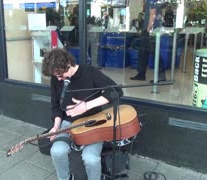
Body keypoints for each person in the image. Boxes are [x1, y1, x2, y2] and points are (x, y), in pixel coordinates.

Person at [41, 48, 123, 180]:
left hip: (93, 123)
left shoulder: (90, 72)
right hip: (69, 123)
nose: (59, 79)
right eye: (55, 76)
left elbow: (116, 92)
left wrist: (86, 106)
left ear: (68, 63)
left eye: (60, 75)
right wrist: (56, 126)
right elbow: (56, 106)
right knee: (57, 151)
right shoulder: (56, 78)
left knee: (90, 159)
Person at [130, 0, 166, 82]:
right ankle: (141, 74)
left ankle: (160, 77)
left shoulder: (151, 1)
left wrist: (148, 29)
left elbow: (152, 14)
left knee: (154, 54)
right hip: (153, 30)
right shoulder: (157, 2)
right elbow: (159, 16)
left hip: (149, 31)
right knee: (143, 52)